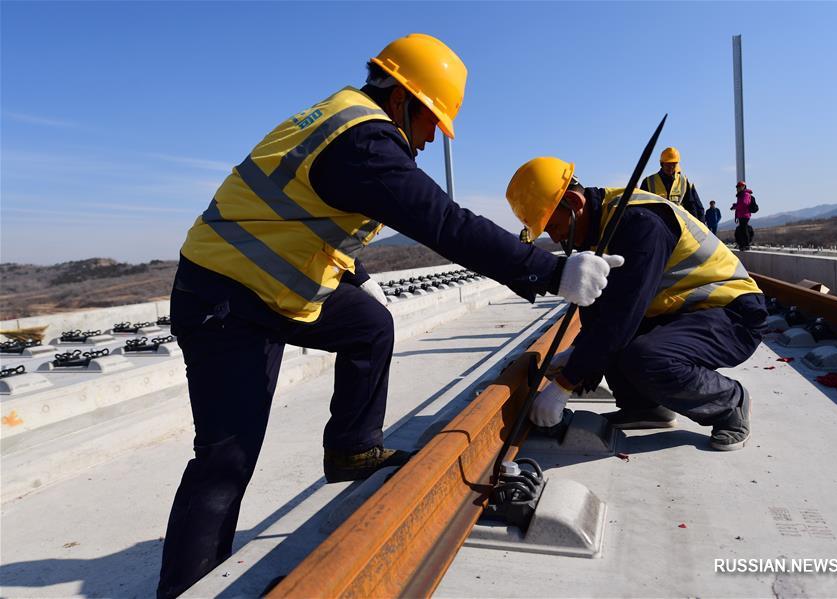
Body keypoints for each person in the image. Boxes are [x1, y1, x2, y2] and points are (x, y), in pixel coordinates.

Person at [157, 35, 620, 598]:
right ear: (405, 99)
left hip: (275, 287)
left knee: (368, 325)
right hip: (224, 299)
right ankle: (185, 587)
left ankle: (353, 448)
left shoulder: (344, 122)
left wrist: (355, 275)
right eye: (431, 123)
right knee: (225, 462)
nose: (429, 139)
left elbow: (295, 216)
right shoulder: (364, 142)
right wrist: (548, 272)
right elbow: (444, 223)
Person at [505, 157, 766, 454]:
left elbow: (622, 315)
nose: (555, 237)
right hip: (685, 312)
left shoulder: (639, 224)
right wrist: (578, 355)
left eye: (553, 225)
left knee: (643, 354)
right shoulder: (602, 226)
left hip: (733, 313)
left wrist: (564, 384)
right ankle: (644, 407)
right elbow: (603, 309)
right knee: (602, 329)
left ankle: (730, 403)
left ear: (573, 202)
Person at [640, 146, 705, 220]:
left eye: (674, 163)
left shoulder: (683, 181)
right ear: (662, 163)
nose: (671, 166)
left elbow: (690, 206)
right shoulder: (649, 181)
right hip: (657, 224)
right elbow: (642, 207)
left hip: (678, 225)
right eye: (668, 164)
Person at [731, 180, 755, 250]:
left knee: (743, 230)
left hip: (745, 215)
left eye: (740, 186)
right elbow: (740, 205)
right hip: (741, 214)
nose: (738, 188)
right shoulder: (741, 195)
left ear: (744, 187)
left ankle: (746, 245)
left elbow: (744, 204)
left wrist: (736, 206)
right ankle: (742, 244)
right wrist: (735, 206)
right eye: (737, 187)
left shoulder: (745, 194)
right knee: (741, 229)